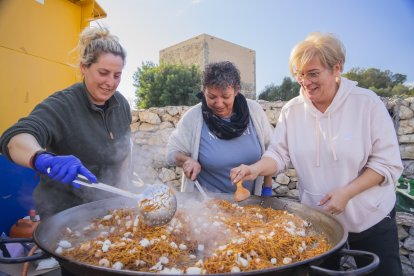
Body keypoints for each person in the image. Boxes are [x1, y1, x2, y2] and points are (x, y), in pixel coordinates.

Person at [230, 32, 403, 275]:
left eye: (313, 73)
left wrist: (347, 193)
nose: (305, 82)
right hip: (319, 221)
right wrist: (255, 168)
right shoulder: (292, 111)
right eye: (299, 74)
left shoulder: (367, 103)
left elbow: (387, 163)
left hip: (371, 217)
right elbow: (279, 155)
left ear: (336, 68)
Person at [0, 26, 132, 220]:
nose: (110, 83)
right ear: (84, 67)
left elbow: (124, 151)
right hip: (64, 214)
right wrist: (41, 158)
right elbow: (14, 138)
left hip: (108, 209)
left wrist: (125, 191)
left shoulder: (121, 104)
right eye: (103, 72)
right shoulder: (62, 104)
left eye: (117, 75)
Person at [167, 61, 273, 196]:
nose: (218, 104)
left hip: (250, 204)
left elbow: (270, 151)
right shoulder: (193, 117)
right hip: (206, 204)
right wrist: (186, 160)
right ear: (204, 91)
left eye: (225, 96)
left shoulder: (254, 111)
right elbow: (171, 152)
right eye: (211, 96)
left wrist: (267, 189)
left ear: (236, 90)